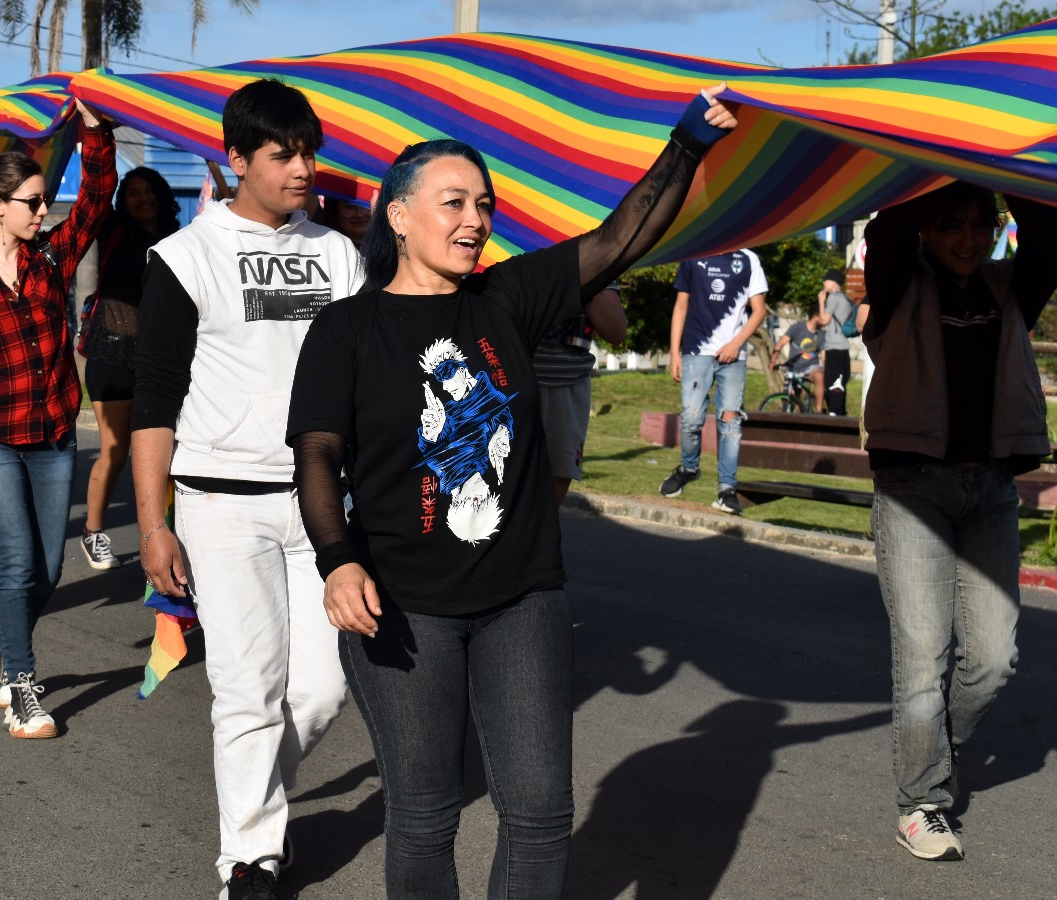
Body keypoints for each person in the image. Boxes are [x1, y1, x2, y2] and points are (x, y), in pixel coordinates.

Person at [287, 86, 738, 899]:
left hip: (520, 597)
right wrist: (337, 561)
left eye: (484, 205)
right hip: (401, 604)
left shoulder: (505, 300)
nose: (474, 219)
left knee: (538, 814)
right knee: (424, 816)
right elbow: (317, 452)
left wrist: (688, 144)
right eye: (453, 202)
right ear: (397, 216)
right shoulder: (347, 331)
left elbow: (620, 238)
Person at [132, 78, 363, 900]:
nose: (304, 168)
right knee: (247, 685)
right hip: (221, 505)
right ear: (235, 159)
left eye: (310, 151)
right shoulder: (185, 257)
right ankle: (251, 861)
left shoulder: (338, 252)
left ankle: (257, 804)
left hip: (324, 502)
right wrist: (154, 525)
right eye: (283, 154)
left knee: (329, 681)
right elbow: (154, 403)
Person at [862, 181, 1057, 862]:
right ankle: (921, 803)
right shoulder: (897, 288)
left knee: (993, 660)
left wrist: (1004, 162)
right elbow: (888, 232)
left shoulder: (1011, 290)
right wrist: (941, 160)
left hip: (989, 492)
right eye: (951, 224)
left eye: (982, 225)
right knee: (924, 659)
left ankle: (930, 751)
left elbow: (1049, 240)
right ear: (927, 229)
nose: (968, 239)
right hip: (911, 491)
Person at [0, 98, 116, 737]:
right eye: (32, 202)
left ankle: (2, 644)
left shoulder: (52, 260)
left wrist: (95, 133)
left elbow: (95, 199)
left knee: (51, 569)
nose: (43, 211)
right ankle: (24, 684)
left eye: (43, 202)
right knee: (16, 560)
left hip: (55, 431)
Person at [78, 166, 180, 570]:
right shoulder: (113, 231)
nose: (143, 198)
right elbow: (96, 187)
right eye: (133, 192)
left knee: (167, 453)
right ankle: (93, 532)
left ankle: (167, 530)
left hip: (159, 360)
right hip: (111, 356)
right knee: (116, 450)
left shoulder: (177, 239)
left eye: (149, 190)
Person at [659, 246, 768, 514]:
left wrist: (736, 344)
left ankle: (726, 489)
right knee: (691, 417)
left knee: (730, 423)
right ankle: (688, 468)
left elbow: (759, 311)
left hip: (734, 356)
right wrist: (675, 352)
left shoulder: (748, 259)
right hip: (697, 351)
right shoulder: (693, 256)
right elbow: (681, 306)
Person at [533, 285, 626, 503]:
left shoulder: (594, 258)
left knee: (554, 484)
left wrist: (581, 279)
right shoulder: (512, 250)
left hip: (567, 386)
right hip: (510, 377)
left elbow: (617, 332)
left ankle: (539, 536)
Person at [768, 310, 828, 412]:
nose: (827, 319)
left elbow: (824, 356)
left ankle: (819, 412)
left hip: (811, 367)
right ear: (816, 317)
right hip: (793, 368)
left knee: (820, 376)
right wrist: (772, 361)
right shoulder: (797, 328)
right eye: (823, 316)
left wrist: (827, 371)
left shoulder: (821, 334)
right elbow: (780, 343)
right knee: (792, 398)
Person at [819, 268, 855, 415]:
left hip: (834, 346)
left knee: (832, 380)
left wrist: (821, 302)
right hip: (844, 346)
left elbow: (824, 320)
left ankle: (834, 411)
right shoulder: (845, 298)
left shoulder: (833, 298)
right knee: (841, 381)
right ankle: (840, 411)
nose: (823, 283)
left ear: (833, 282)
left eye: (826, 280)